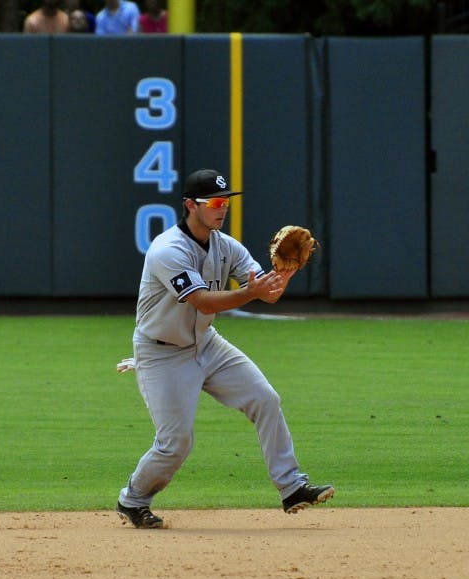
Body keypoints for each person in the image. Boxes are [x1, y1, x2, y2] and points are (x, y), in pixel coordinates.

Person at [115, 169, 334, 528]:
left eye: (226, 202)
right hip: (162, 353)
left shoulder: (225, 245)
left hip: (207, 344)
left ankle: (291, 487)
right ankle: (133, 499)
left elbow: (267, 290)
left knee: (265, 399)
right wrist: (252, 292)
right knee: (175, 442)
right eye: (215, 202)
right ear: (190, 205)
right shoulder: (167, 250)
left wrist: (281, 277)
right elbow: (202, 301)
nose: (223, 208)